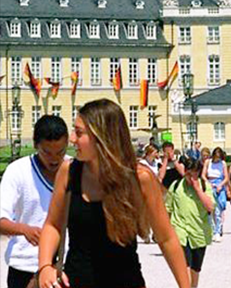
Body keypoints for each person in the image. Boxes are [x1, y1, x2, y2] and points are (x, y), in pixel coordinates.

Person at [38, 99, 190, 288]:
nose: (72, 139)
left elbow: (166, 238)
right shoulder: (68, 172)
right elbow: (52, 224)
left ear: (101, 137)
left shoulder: (140, 178)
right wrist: (45, 266)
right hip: (77, 281)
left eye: (79, 133)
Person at [0, 115, 69, 288]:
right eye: (47, 152)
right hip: (25, 267)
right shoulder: (18, 171)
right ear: (35, 144)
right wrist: (24, 229)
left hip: (66, 266)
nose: (54, 159)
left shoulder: (73, 169)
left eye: (60, 152)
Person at [166, 158, 214, 288]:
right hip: (180, 231)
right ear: (185, 171)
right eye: (189, 174)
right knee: (184, 266)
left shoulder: (205, 186)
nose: (192, 177)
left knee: (195, 268)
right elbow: (167, 209)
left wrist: (198, 190)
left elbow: (210, 207)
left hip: (199, 232)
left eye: (195, 174)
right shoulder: (176, 186)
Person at [202, 147, 229, 242]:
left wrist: (220, 185)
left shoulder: (223, 164)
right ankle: (211, 230)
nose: (217, 158)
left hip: (219, 185)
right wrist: (208, 184)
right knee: (209, 210)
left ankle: (217, 231)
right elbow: (203, 175)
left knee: (218, 211)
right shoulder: (208, 162)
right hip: (210, 184)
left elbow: (226, 177)